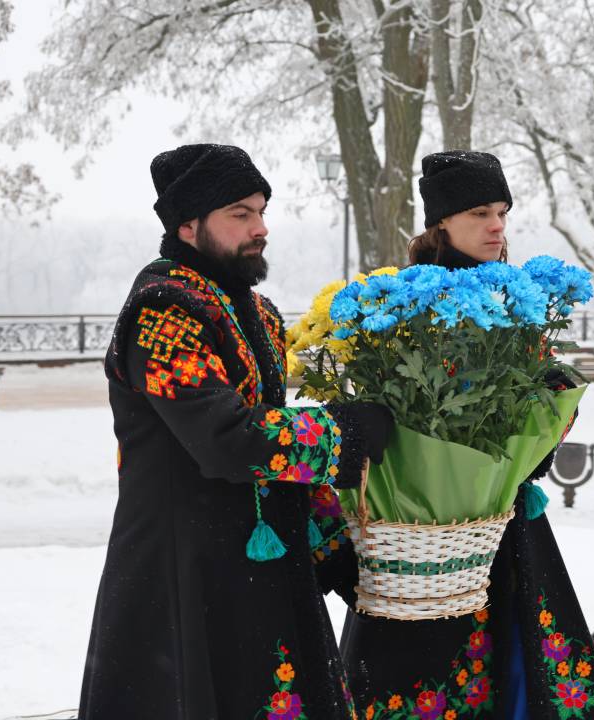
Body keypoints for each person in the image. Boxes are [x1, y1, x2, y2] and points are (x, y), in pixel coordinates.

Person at [79, 143, 391, 720]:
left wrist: (335, 547)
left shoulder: (256, 308)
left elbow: (271, 432)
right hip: (182, 572)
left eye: (262, 211)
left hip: (264, 565)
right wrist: (341, 433)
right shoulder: (163, 311)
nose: (261, 228)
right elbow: (227, 439)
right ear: (188, 225)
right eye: (240, 214)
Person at [340, 150, 594, 720]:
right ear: (440, 222)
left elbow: (542, 419)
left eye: (502, 211)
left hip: (502, 521)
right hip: (420, 533)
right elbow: (383, 409)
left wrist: (544, 416)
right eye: (479, 213)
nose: (497, 226)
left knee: (517, 667)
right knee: (419, 675)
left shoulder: (520, 300)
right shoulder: (403, 303)